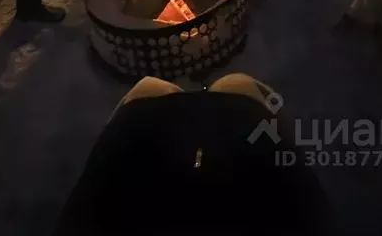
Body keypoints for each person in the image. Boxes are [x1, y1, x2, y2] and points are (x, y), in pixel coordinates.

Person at [53, 73, 327, 235]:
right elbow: (309, 207)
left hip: (141, 154)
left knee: (150, 87)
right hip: (245, 145)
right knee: (239, 84)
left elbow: (87, 204)